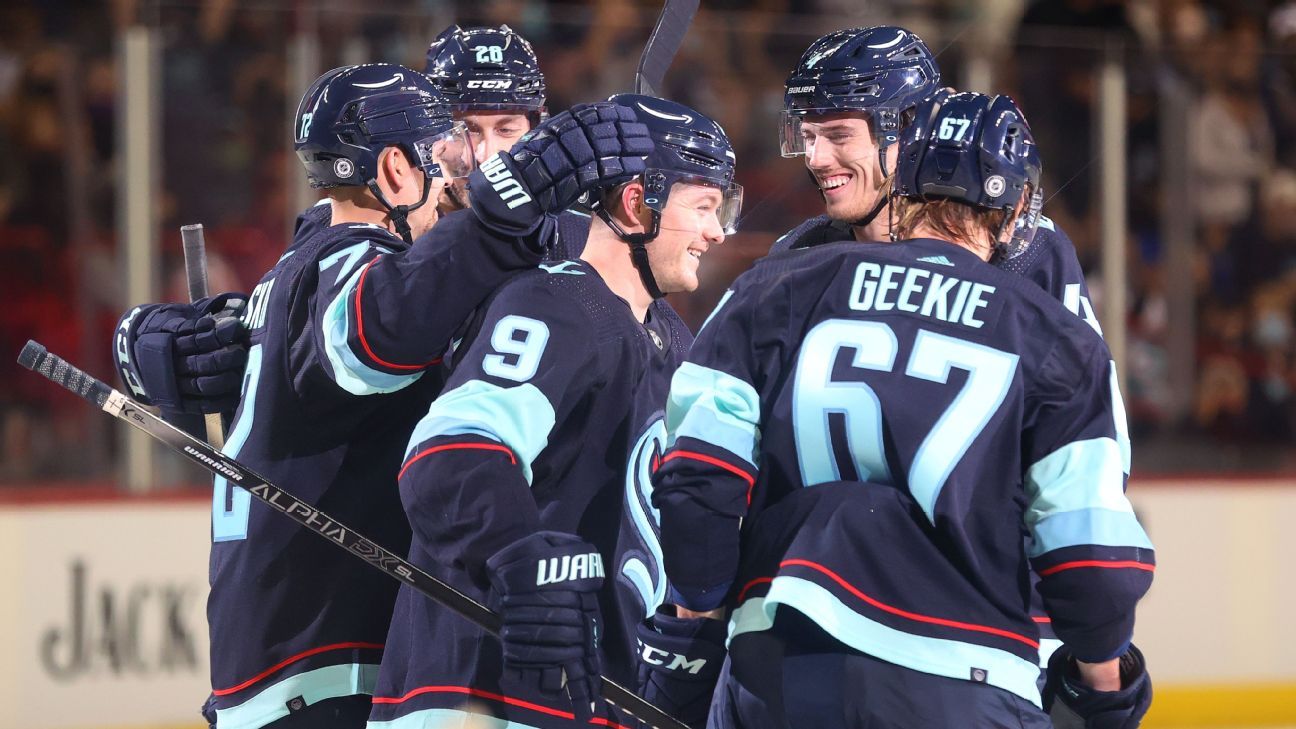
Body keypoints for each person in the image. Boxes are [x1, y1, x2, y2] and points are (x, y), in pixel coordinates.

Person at [124, 62, 650, 729]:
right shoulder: (347, 259)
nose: (461, 175)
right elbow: (379, 329)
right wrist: (501, 216)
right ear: (398, 169)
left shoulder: (296, 267)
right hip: (322, 663)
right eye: (446, 153)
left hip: (275, 657)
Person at [652, 92, 1154, 728]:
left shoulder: (776, 285)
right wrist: (1106, 686)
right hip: (962, 678)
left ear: (902, 187)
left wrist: (695, 625)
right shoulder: (1054, 336)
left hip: (776, 659)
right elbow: (1090, 558)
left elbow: (699, 474)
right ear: (1018, 206)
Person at [365, 94, 741, 729]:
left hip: (579, 700)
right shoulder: (555, 304)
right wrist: (520, 556)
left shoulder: (673, 341)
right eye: (703, 207)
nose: (718, 231)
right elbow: (450, 457)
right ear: (636, 204)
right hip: (478, 695)